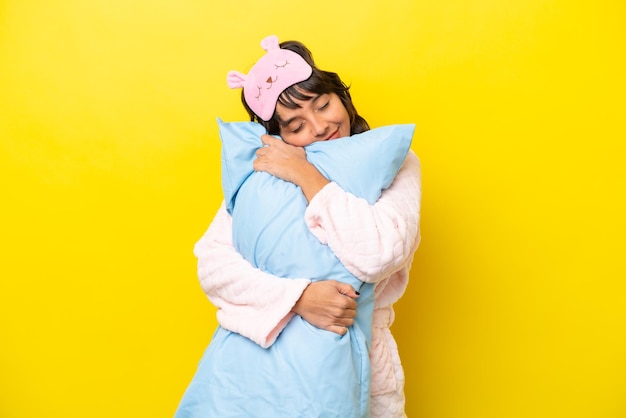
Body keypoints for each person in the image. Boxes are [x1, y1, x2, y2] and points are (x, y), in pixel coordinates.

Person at [176, 36, 421, 418]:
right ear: (279, 135)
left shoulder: (390, 161)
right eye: (296, 125)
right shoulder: (263, 177)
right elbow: (213, 265)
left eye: (323, 105)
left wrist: (306, 174)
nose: (321, 126)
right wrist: (298, 298)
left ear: (341, 96)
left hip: (358, 360)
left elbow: (379, 252)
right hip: (256, 368)